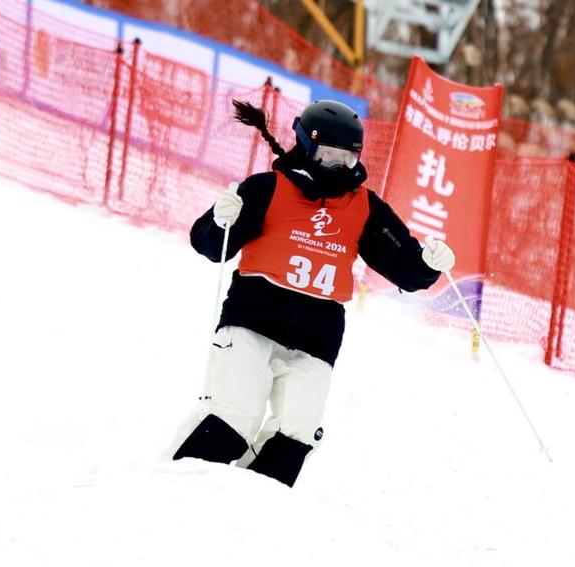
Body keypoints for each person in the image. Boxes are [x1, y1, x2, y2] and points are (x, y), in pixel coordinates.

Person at [168, 99, 456, 487]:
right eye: (328, 155)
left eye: (347, 158)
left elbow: (404, 267)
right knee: (236, 415)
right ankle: (176, 485)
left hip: (315, 340)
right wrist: (219, 221)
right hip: (252, 322)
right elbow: (209, 246)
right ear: (306, 146)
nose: (338, 166)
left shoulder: (364, 207)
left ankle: (252, 503)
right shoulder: (268, 188)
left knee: (296, 431)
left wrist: (428, 263)